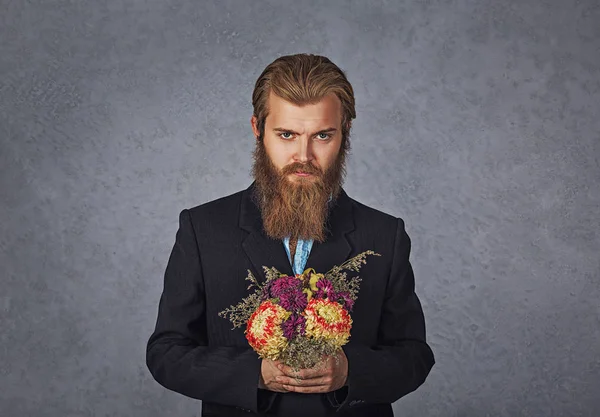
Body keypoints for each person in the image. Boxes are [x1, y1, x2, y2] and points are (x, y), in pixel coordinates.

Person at [146, 53, 435, 417]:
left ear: (344, 132)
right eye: (286, 134)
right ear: (257, 128)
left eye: (322, 136)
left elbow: (413, 355)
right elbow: (166, 352)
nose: (304, 155)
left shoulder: (384, 234)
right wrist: (255, 375)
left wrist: (349, 371)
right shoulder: (202, 228)